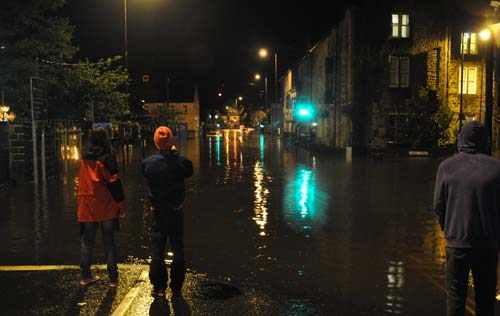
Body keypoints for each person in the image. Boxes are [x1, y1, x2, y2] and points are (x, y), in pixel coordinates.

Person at [433, 121, 500, 316]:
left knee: (455, 300)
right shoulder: (497, 169)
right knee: (486, 301)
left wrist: (451, 231)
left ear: (461, 139)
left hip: (458, 245)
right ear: (485, 141)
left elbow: (438, 206)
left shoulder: (446, 167)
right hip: (488, 245)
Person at [142, 126, 193, 297]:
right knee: (177, 248)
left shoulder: (148, 163)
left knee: (157, 249)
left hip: (158, 212)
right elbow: (189, 170)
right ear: (171, 141)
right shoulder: (181, 162)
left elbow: (145, 174)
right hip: (176, 211)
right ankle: (177, 287)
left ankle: (159, 287)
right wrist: (175, 153)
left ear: (156, 142)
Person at [77, 128, 127, 287]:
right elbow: (115, 184)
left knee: (87, 242)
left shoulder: (84, 157)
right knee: (109, 243)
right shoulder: (107, 159)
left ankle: (85, 276)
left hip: (87, 205)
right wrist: (121, 205)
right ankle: (113, 279)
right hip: (105, 205)